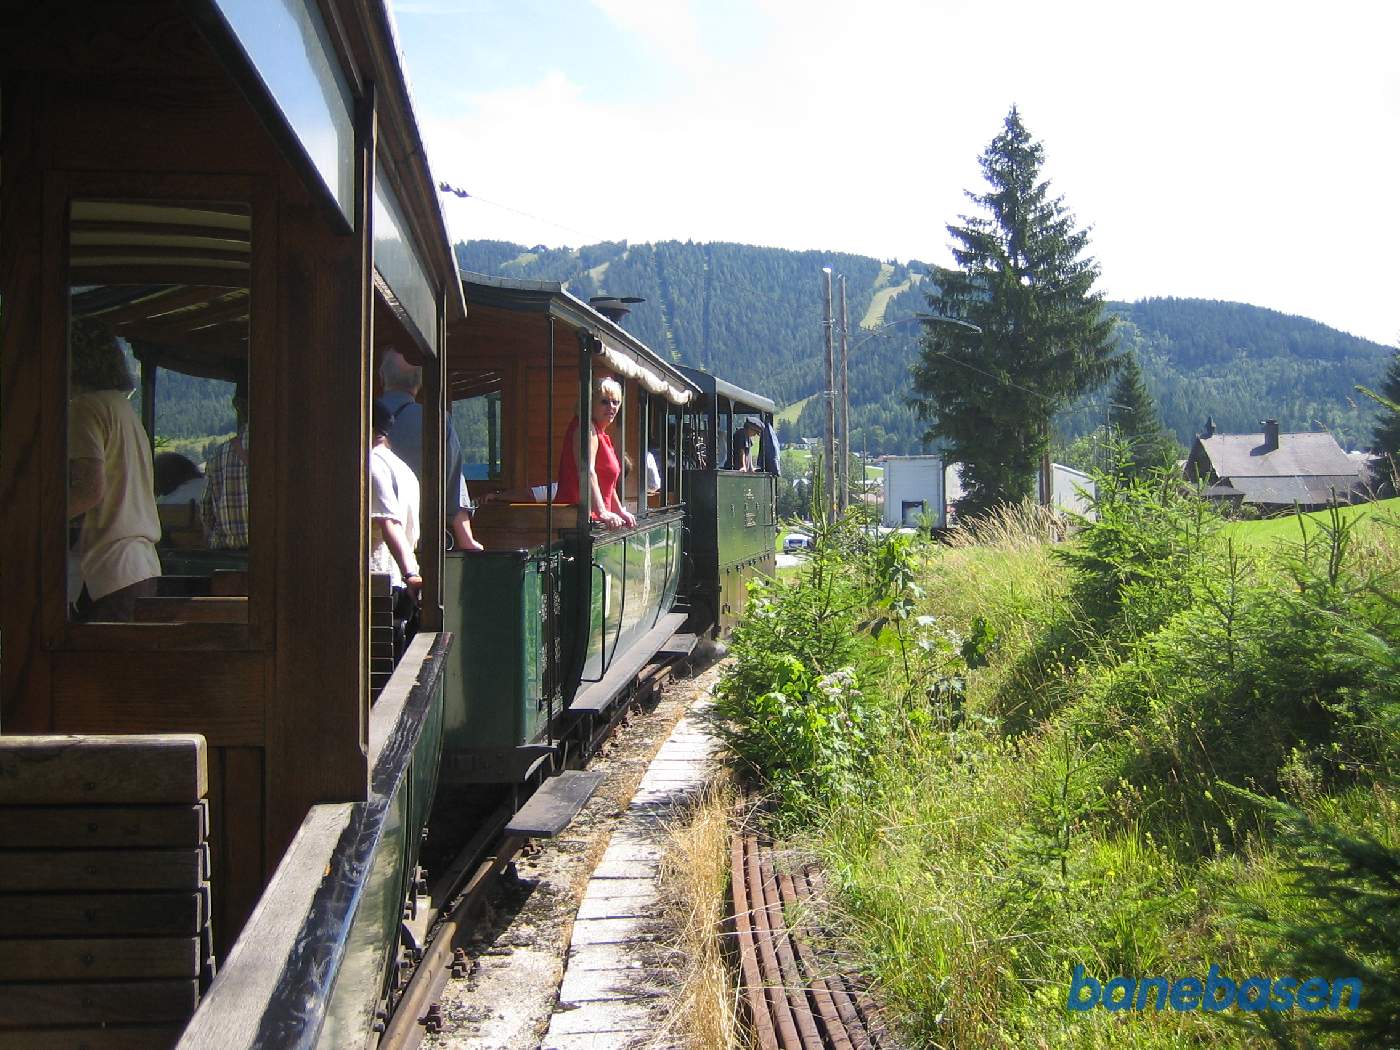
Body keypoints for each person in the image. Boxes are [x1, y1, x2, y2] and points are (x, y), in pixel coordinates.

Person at [67, 317, 162, 621]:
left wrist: (28, 521)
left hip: (106, 570)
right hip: (139, 567)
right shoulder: (122, 409)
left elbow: (88, 490)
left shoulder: (84, 408)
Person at [378, 348, 483, 551]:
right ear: (419, 382)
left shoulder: (357, 415)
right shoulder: (437, 421)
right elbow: (453, 481)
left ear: (381, 377)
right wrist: (466, 538)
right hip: (417, 541)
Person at [556, 375, 635, 528]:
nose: (612, 407)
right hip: (576, 521)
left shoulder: (601, 434)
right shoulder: (586, 428)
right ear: (590, 403)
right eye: (605, 402)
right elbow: (587, 471)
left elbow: (608, 483)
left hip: (593, 521)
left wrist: (619, 510)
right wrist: (602, 511)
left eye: (616, 402)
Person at [370, 398, 422, 620]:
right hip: (397, 587)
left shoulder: (369, 464)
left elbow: (389, 522)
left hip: (378, 588)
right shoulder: (403, 468)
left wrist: (411, 574)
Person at [201, 380, 250, 549]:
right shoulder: (287, 456)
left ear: (238, 406)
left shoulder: (218, 455)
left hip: (227, 561)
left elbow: (206, 515)